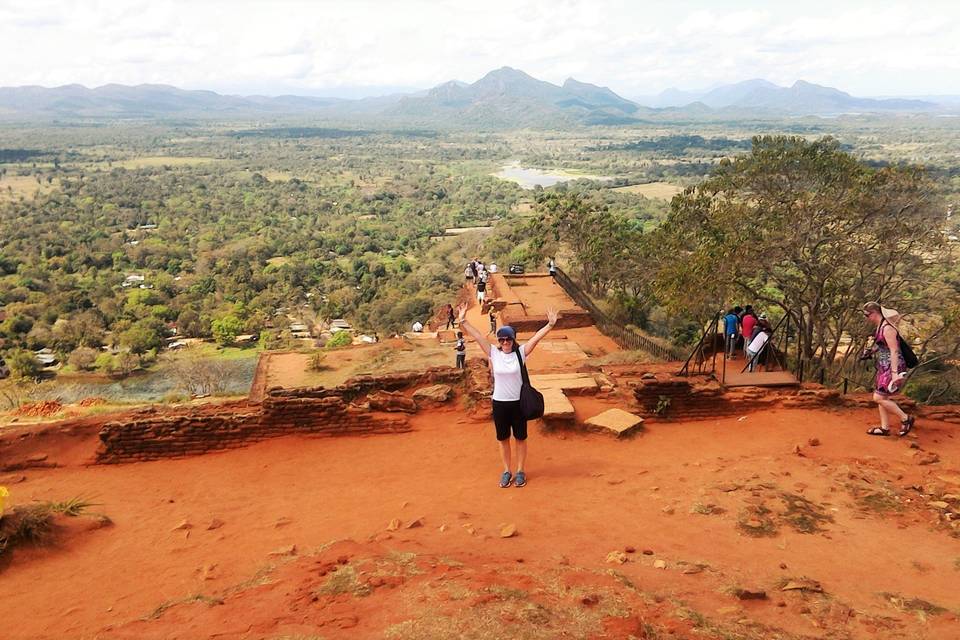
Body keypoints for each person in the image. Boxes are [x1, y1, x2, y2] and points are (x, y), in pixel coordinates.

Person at [457, 302, 559, 488]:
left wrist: (550, 325)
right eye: (502, 340)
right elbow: (478, 336)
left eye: (508, 340)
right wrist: (463, 320)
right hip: (500, 404)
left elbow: (535, 339)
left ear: (513, 340)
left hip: (518, 404)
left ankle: (520, 470)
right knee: (503, 439)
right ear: (499, 340)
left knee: (520, 438)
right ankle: (506, 470)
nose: (505, 343)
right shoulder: (493, 353)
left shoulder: (520, 353)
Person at [862, 302, 915, 437]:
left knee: (878, 397)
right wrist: (871, 351)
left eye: (867, 315)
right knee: (882, 396)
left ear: (874, 313)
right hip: (885, 365)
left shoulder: (887, 328)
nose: (867, 318)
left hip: (893, 366)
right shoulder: (880, 326)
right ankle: (885, 428)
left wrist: (895, 373)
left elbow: (894, 350)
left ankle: (905, 418)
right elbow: (882, 346)